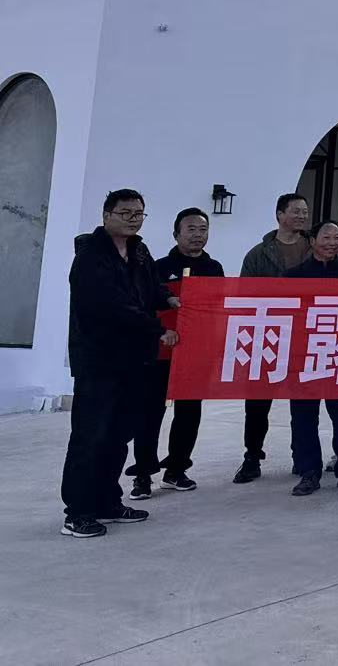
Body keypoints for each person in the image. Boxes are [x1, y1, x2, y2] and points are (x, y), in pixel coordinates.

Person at [61, 190, 174, 538]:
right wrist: (158, 329)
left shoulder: (139, 251)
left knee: (118, 435)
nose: (133, 219)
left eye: (139, 213)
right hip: (99, 360)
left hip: (134, 360)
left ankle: (108, 502)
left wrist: (170, 299)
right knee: (90, 436)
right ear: (107, 215)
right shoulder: (90, 256)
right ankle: (77, 512)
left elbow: (151, 288)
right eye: (125, 213)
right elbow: (111, 305)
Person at [128, 208, 223, 499]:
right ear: (176, 234)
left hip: (195, 353)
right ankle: (143, 474)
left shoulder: (214, 269)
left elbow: (218, 310)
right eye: (191, 229)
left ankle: (176, 470)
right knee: (150, 413)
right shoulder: (157, 268)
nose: (198, 235)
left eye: (203, 230)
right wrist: (159, 330)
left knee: (189, 413)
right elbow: (143, 307)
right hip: (160, 352)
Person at [233, 192, 312, 484]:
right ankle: (252, 457)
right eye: (296, 211)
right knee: (257, 402)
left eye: (304, 211)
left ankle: (303, 457)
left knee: (303, 402)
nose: (302, 216)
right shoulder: (258, 254)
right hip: (267, 335)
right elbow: (244, 296)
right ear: (280, 214)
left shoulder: (315, 249)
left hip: (305, 336)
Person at [282, 222, 338, 496]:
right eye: (326, 237)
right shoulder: (294, 276)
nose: (332, 242)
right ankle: (309, 472)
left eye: (337, 237)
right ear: (312, 240)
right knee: (303, 417)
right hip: (306, 357)